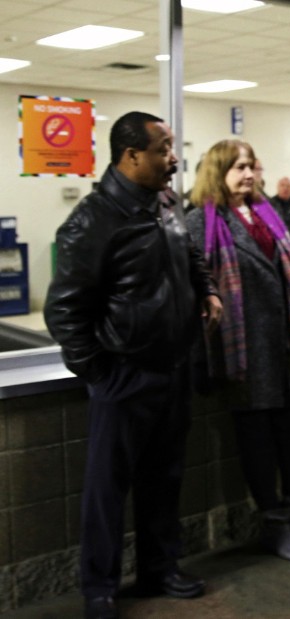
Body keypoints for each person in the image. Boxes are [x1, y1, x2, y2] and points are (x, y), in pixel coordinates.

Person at [44, 111, 223, 619]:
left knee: (163, 478)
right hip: (125, 376)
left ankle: (158, 569)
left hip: (173, 368)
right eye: (165, 148)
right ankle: (99, 588)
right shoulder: (92, 221)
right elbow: (64, 311)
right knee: (107, 489)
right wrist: (101, 373)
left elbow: (189, 255)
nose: (174, 158)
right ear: (131, 156)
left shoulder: (164, 204)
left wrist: (206, 291)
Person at [185, 139, 290, 563]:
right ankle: (274, 521)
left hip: (284, 348)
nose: (248, 175)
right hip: (243, 352)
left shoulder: (268, 214)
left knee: (289, 437)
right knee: (257, 441)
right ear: (217, 172)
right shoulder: (201, 222)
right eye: (237, 168)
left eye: (251, 166)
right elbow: (200, 286)